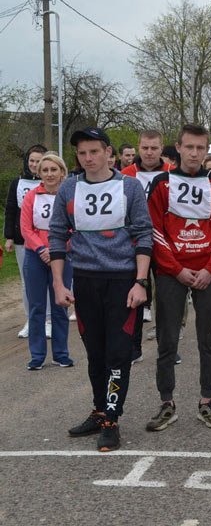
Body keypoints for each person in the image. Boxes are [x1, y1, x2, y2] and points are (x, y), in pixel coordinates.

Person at [50, 126, 153, 452]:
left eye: (94, 151)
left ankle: (112, 418)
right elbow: (56, 235)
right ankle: (99, 410)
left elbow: (143, 234)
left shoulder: (130, 186)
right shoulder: (69, 188)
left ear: (108, 152)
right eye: (82, 153)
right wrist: (58, 283)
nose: (88, 158)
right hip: (86, 280)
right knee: (95, 354)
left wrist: (140, 281)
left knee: (118, 353)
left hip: (122, 281)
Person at [146, 123, 211, 431]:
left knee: (207, 340)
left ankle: (207, 403)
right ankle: (166, 403)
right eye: (189, 147)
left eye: (201, 148)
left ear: (206, 150)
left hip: (207, 273)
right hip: (172, 273)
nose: (195, 153)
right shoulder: (161, 183)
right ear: (178, 148)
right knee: (167, 340)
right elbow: (154, 231)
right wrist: (177, 269)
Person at [121, 130, 173, 358]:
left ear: (162, 149)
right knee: (134, 297)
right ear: (138, 148)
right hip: (133, 243)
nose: (149, 152)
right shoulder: (124, 175)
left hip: (165, 243)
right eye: (145, 148)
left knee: (166, 298)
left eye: (154, 148)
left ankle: (167, 348)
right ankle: (134, 349)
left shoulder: (173, 173)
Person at [20, 153, 72, 370]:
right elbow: (26, 228)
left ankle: (61, 354)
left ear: (62, 172)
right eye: (45, 170)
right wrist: (42, 248)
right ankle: (37, 356)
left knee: (60, 306)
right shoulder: (31, 196)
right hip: (36, 255)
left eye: (54, 170)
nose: (50, 174)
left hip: (62, 255)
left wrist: (57, 249)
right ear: (39, 173)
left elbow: (74, 226)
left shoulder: (69, 195)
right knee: (37, 307)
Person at [4, 144, 46, 338]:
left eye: (38, 161)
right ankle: (31, 319)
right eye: (32, 161)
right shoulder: (18, 182)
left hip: (46, 240)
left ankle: (48, 320)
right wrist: (9, 237)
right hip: (23, 240)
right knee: (26, 282)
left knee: (48, 281)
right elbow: (11, 210)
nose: (34, 165)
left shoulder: (51, 182)